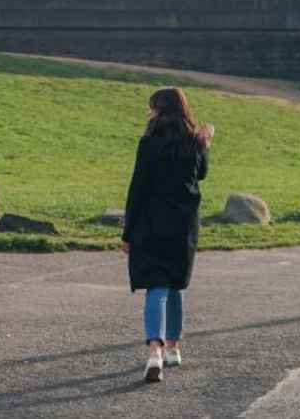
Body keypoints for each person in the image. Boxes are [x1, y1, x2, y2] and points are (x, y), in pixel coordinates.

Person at [120, 87, 214, 383]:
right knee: (176, 283)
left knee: (156, 287)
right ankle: (173, 347)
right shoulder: (192, 142)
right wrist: (204, 144)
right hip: (183, 224)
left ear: (158, 112)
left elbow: (138, 188)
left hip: (150, 223)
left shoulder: (148, 144)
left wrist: (128, 232)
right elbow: (200, 175)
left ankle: (155, 350)